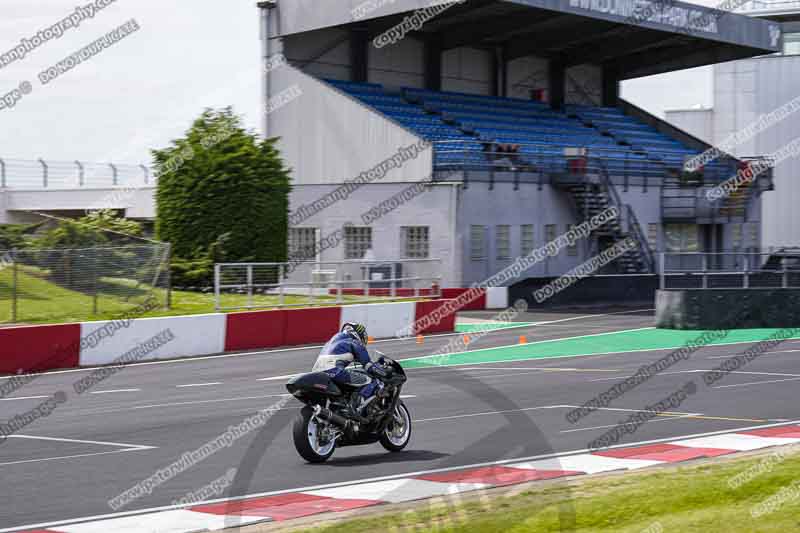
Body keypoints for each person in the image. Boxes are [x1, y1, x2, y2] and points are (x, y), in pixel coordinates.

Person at [313, 323, 387, 409]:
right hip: (334, 371)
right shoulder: (354, 341)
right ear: (358, 333)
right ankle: (359, 407)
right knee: (370, 380)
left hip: (316, 372)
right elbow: (368, 365)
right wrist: (382, 372)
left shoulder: (332, 342)